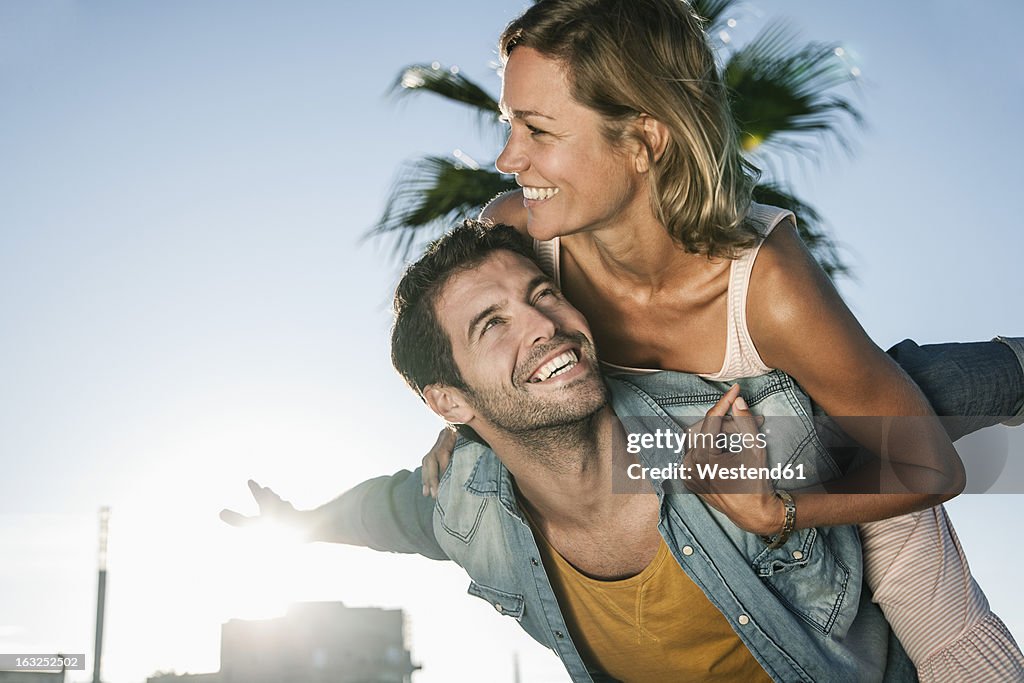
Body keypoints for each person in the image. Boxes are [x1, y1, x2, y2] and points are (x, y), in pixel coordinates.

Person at [415, 0, 1024, 680]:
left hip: (803, 451)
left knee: (851, 415)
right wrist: (467, 425)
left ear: (644, 140)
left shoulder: (767, 285)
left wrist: (778, 512)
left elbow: (929, 468)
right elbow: (474, 347)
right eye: (509, 124)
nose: (507, 157)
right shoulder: (520, 232)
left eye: (536, 129)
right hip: (707, 452)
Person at [227, 222, 942, 681]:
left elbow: (914, 399)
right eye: (492, 324)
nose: (544, 324)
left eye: (541, 293)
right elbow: (383, 512)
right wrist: (297, 523)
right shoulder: (470, 510)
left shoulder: (726, 437)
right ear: (449, 401)